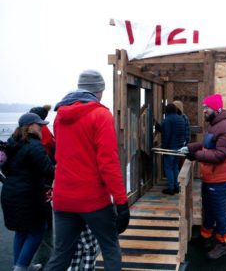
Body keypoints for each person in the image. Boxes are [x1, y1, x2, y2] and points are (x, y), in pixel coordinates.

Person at [44, 70, 130, 271]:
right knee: (110, 249)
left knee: (61, 255)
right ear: (99, 91)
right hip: (93, 200)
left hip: (63, 199)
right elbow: (108, 163)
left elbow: (60, 157)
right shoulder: (101, 115)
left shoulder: (59, 117)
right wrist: (121, 203)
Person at [179, 93, 226, 259]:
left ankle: (222, 244)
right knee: (208, 209)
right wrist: (190, 148)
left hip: (219, 178)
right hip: (210, 176)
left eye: (207, 108)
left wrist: (196, 156)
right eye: (204, 107)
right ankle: (205, 238)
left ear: (216, 109)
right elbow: (206, 145)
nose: (204, 110)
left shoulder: (224, 126)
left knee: (218, 212)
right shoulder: (214, 124)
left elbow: (220, 155)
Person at [1, 113, 55, 271]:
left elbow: (5, 168)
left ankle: (21, 264)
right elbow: (48, 170)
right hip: (28, 196)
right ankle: (21, 267)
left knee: (21, 230)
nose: (42, 127)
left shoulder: (12, 142)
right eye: (39, 125)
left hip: (9, 192)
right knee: (38, 230)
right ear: (30, 126)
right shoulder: (34, 145)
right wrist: (61, 168)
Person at [29, 105, 55, 229]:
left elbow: (43, 148)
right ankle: (46, 225)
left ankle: (46, 226)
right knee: (45, 198)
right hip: (46, 166)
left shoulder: (41, 131)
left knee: (44, 198)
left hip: (42, 168)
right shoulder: (45, 130)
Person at [156, 103, 185, 195]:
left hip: (170, 148)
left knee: (168, 167)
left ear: (166, 111)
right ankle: (176, 186)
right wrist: (160, 128)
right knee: (175, 167)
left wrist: (164, 149)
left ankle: (171, 188)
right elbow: (175, 131)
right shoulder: (181, 118)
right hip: (179, 147)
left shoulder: (168, 119)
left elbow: (167, 134)